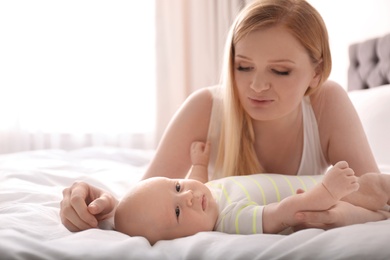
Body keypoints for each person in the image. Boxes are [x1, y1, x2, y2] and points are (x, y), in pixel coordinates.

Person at [60, 0, 390, 232]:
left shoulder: (326, 102)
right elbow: (143, 204)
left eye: (280, 71)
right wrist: (93, 200)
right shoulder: (204, 108)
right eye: (243, 66)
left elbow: (377, 199)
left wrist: (346, 217)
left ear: (316, 73)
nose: (257, 85)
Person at [114, 142, 390, 245]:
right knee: (371, 191)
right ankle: (377, 210)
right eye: (177, 212)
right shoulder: (231, 220)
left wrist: (198, 164)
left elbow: (195, 181)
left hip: (322, 185)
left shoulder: (204, 196)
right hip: (320, 198)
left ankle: (377, 209)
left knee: (374, 193)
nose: (186, 195)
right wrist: (327, 191)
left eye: (176, 186)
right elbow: (281, 213)